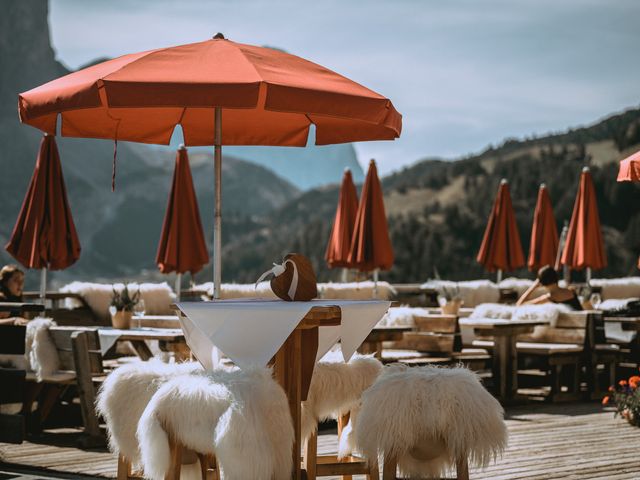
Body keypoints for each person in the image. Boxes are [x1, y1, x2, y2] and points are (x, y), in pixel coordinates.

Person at [516, 265, 583, 310]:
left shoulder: (549, 298)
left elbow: (519, 305)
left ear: (541, 282)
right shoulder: (571, 291)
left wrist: (532, 287)